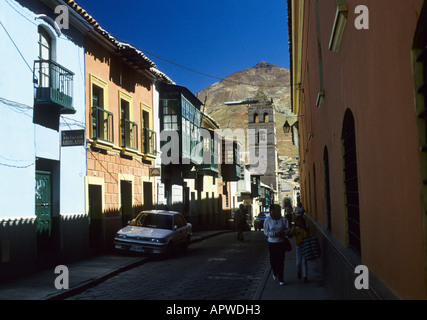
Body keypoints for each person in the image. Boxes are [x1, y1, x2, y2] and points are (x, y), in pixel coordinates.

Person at [263, 204, 290, 286]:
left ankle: (281, 279)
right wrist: (274, 234)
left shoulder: (283, 220)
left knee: (281, 261)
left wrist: (283, 233)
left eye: (277, 210)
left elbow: (288, 229)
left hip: (281, 242)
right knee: (273, 261)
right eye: (274, 210)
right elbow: (265, 231)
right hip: (272, 243)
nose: (275, 212)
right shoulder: (267, 220)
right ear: (270, 211)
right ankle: (275, 272)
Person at [288, 215, 309, 282]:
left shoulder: (305, 228)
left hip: (305, 246)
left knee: (304, 262)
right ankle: (299, 270)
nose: (299, 222)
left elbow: (308, 236)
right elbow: (290, 235)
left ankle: (305, 276)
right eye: (298, 221)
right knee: (298, 262)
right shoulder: (295, 228)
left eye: (301, 221)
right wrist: (288, 233)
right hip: (298, 247)